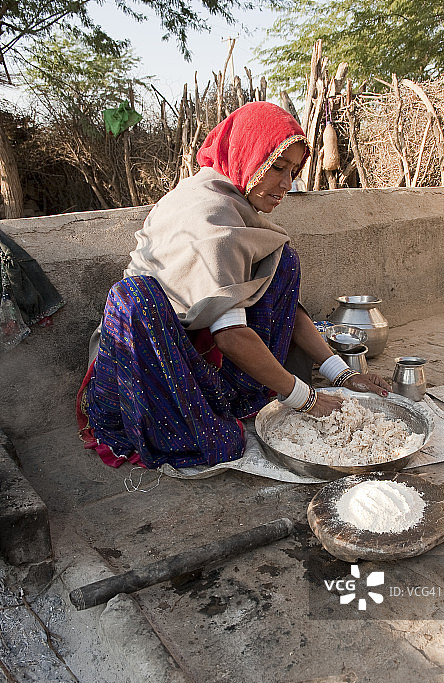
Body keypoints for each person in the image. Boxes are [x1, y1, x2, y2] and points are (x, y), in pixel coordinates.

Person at [77, 102, 390, 470]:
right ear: (248, 155)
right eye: (277, 167)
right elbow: (231, 336)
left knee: (283, 259)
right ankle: (184, 410)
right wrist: (305, 399)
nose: (286, 185)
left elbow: (290, 308)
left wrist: (345, 373)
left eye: (293, 171)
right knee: (218, 442)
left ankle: (235, 394)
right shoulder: (212, 220)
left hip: (198, 342)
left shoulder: (237, 207)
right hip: (152, 353)